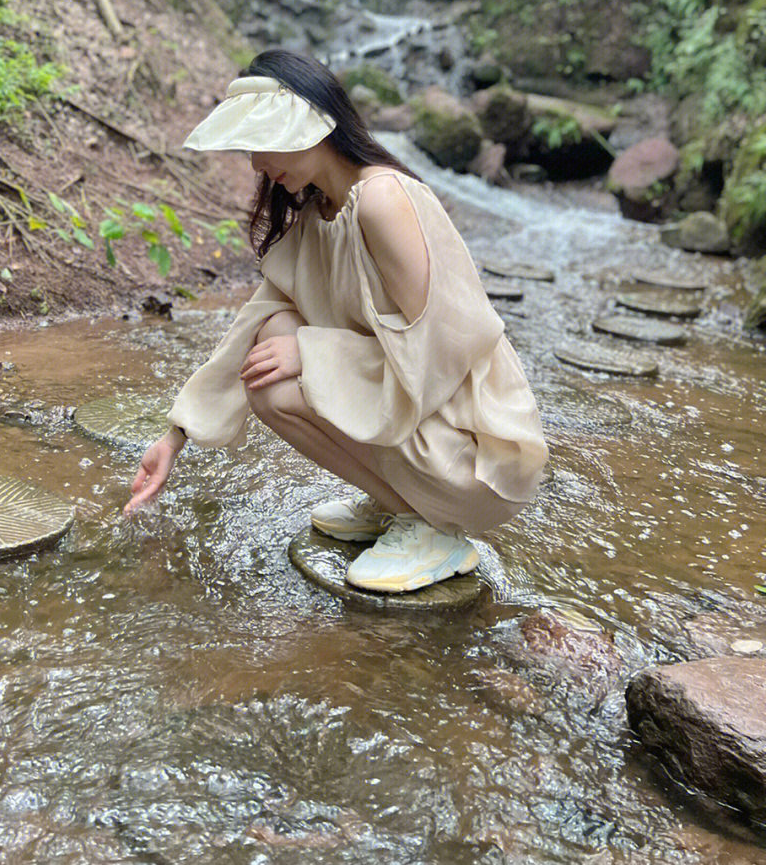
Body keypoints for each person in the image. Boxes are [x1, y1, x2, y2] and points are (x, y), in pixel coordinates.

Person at [124, 49, 548, 594]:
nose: (255, 164)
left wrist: (311, 350)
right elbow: (252, 324)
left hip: (475, 454)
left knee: (284, 358)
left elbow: (444, 349)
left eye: (261, 143)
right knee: (269, 347)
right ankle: (401, 506)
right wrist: (174, 437)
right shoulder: (317, 214)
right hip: (420, 434)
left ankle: (435, 530)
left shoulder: (382, 200)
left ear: (310, 127)